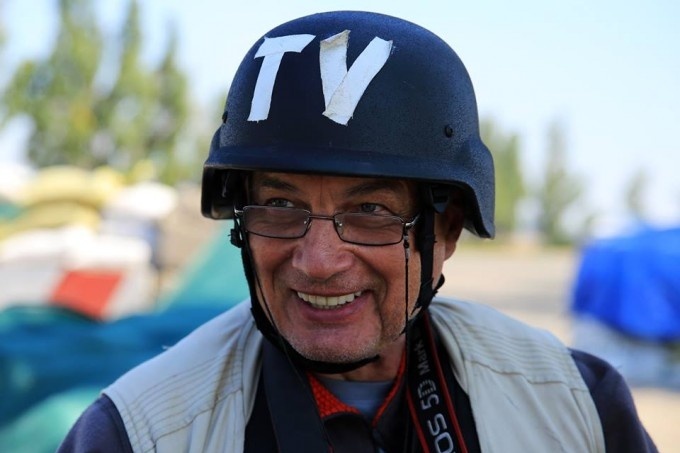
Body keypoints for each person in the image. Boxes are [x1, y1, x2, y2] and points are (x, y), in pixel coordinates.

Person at [58, 10, 657, 452]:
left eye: (371, 211)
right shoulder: (138, 434)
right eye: (280, 205)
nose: (319, 261)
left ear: (447, 230)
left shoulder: (573, 404)